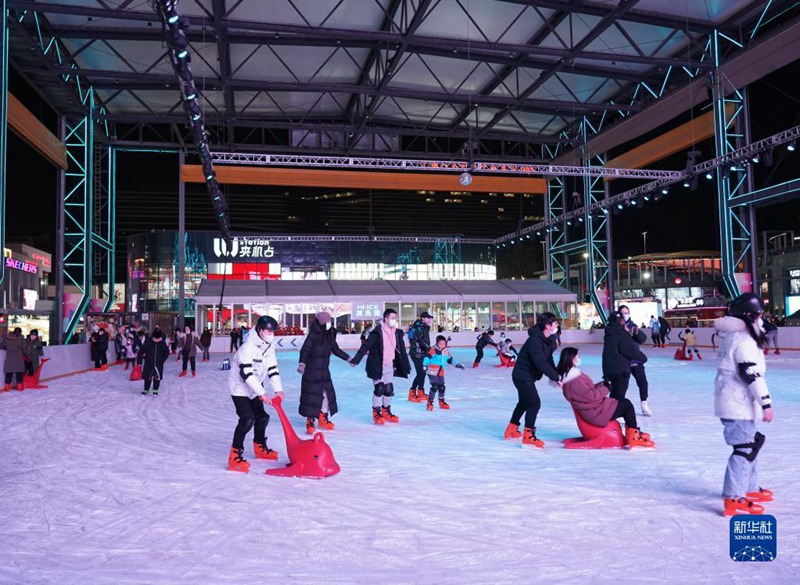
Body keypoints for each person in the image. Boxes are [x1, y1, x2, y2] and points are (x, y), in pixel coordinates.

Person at [713, 293, 774, 516]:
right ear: (749, 316)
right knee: (744, 448)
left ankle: (749, 487)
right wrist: (766, 403)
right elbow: (751, 374)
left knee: (750, 443)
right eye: (759, 314)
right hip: (736, 403)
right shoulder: (744, 340)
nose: (762, 318)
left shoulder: (738, 335)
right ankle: (733, 497)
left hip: (735, 401)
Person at [556, 347, 654, 449]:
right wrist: (607, 388)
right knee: (626, 406)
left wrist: (604, 384)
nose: (579, 358)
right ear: (571, 359)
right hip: (595, 412)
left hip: (593, 408)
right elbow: (590, 396)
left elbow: (589, 390)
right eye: (577, 356)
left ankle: (633, 433)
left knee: (624, 402)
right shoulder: (574, 380)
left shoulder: (572, 376)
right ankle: (633, 437)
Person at [227, 315, 284, 473]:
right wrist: (263, 393)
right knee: (247, 419)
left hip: (255, 387)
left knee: (263, 417)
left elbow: (272, 370)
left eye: (273, 331)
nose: (271, 333)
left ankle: (260, 447)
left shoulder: (269, 347)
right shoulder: (247, 348)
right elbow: (246, 374)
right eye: (268, 330)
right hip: (239, 387)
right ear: (259, 330)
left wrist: (278, 389)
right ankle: (234, 455)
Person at [504, 313, 561, 448]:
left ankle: (511, 430)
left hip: (526, 376)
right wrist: (555, 377)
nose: (557, 326)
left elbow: (548, 359)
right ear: (547, 326)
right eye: (555, 324)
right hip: (522, 376)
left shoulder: (548, 340)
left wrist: (556, 375)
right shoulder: (535, 341)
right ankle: (528, 435)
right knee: (534, 404)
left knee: (524, 403)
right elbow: (540, 363)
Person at [350, 308, 411, 425]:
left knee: (389, 389)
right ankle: (376, 412)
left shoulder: (396, 333)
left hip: (389, 365)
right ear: (386, 319)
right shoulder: (377, 333)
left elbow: (400, 347)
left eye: (395, 318)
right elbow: (365, 346)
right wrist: (356, 360)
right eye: (392, 318)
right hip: (377, 365)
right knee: (380, 388)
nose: (394, 320)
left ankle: (386, 411)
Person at [297, 312, 350, 435]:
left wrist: (348, 359)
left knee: (326, 395)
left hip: (324, 371)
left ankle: (323, 418)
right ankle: (310, 421)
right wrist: (302, 363)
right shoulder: (313, 335)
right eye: (327, 322)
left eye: (330, 322)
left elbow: (335, 350)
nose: (329, 324)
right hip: (311, 370)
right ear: (321, 323)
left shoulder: (330, 335)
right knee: (312, 396)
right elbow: (305, 349)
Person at [602, 311, 648, 405]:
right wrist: (643, 357)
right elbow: (628, 350)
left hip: (609, 369)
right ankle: (613, 415)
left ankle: (611, 414)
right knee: (619, 396)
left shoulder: (608, 333)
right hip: (621, 370)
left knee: (614, 394)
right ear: (622, 321)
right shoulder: (621, 333)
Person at [422, 335, 465, 411]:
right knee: (434, 386)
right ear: (437, 343)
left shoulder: (446, 351)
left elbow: (450, 360)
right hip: (432, 371)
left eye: (443, 343)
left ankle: (441, 401)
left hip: (441, 371)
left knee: (442, 387)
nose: (442, 345)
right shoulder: (433, 350)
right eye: (440, 343)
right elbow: (427, 357)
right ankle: (430, 402)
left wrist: (457, 365)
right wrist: (424, 364)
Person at [407, 311, 433, 402]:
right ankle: (412, 392)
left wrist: (427, 350)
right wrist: (429, 349)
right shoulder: (419, 327)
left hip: (422, 353)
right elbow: (421, 340)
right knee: (420, 373)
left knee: (423, 372)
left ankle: (421, 391)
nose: (429, 319)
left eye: (430, 318)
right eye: (428, 318)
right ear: (423, 318)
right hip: (416, 353)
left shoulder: (424, 327)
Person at [138, 327, 169, 397]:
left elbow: (166, 352)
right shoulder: (148, 342)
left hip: (158, 364)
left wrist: (162, 359)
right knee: (147, 377)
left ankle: (155, 389)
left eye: (158, 339)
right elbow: (140, 352)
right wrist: (140, 360)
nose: (156, 340)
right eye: (155, 339)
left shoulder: (162, 343)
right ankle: (146, 389)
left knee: (157, 377)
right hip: (148, 363)